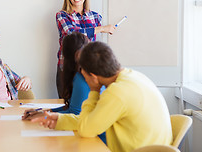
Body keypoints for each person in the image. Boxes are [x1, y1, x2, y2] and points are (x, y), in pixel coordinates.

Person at [31, 42, 172, 152]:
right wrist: (61, 120)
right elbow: (95, 120)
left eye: (83, 74)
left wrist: (93, 90)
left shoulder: (117, 93)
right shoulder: (132, 76)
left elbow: (87, 130)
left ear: (92, 76)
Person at [55, 0, 115, 97]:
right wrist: (101, 29)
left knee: (88, 106)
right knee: (67, 105)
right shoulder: (62, 15)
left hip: (89, 70)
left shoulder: (95, 16)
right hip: (67, 69)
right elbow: (72, 34)